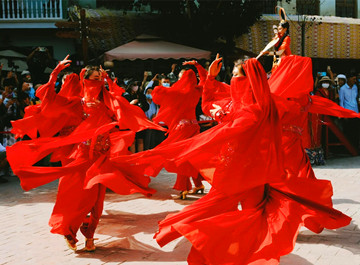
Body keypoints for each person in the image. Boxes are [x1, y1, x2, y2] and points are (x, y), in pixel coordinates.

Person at [7, 55, 165, 252]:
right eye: (95, 77)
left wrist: (108, 82)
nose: (97, 81)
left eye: (100, 77)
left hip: (101, 155)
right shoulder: (76, 102)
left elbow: (121, 103)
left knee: (96, 200)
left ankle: (90, 237)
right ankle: (69, 231)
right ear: (85, 80)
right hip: (81, 156)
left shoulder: (108, 101)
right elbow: (47, 96)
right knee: (76, 197)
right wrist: (55, 72)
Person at [122, 80, 149, 153]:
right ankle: (133, 157)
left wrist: (141, 104)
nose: (135, 86)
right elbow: (123, 108)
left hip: (140, 120)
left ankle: (140, 157)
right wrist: (131, 104)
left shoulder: (141, 95)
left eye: (137, 84)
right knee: (132, 141)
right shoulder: (125, 95)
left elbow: (146, 107)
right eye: (134, 84)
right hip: (131, 121)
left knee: (140, 140)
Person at [339, 72, 360, 149]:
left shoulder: (355, 87)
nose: (355, 80)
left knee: (356, 130)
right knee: (348, 131)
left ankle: (356, 147)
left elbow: (356, 99)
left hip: (356, 112)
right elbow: (341, 102)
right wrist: (343, 115)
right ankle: (348, 148)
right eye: (353, 79)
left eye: (355, 79)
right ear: (348, 79)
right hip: (347, 113)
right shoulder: (342, 89)